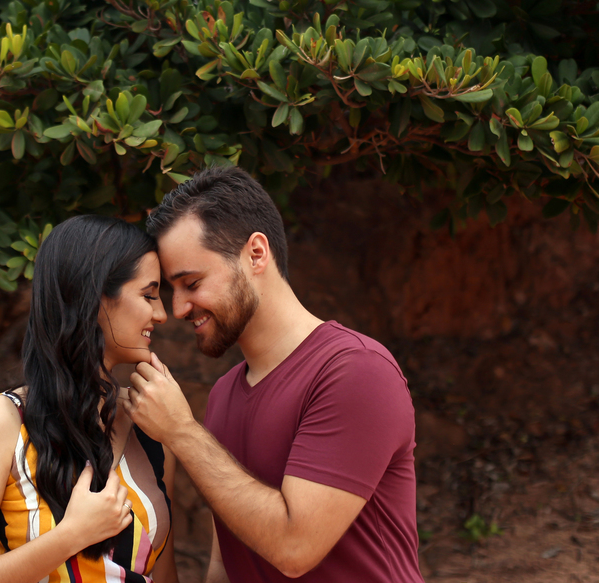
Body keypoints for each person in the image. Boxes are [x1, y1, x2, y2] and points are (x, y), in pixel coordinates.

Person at [120, 166, 424, 583]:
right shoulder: (224, 393)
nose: (178, 309)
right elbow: (224, 564)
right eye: (173, 290)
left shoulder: (357, 371)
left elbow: (295, 548)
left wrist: (182, 433)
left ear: (256, 254)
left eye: (192, 282)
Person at [0, 215, 180, 583]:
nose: (161, 314)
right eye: (148, 295)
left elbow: (164, 574)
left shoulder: (151, 426)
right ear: (95, 298)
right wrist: (70, 536)